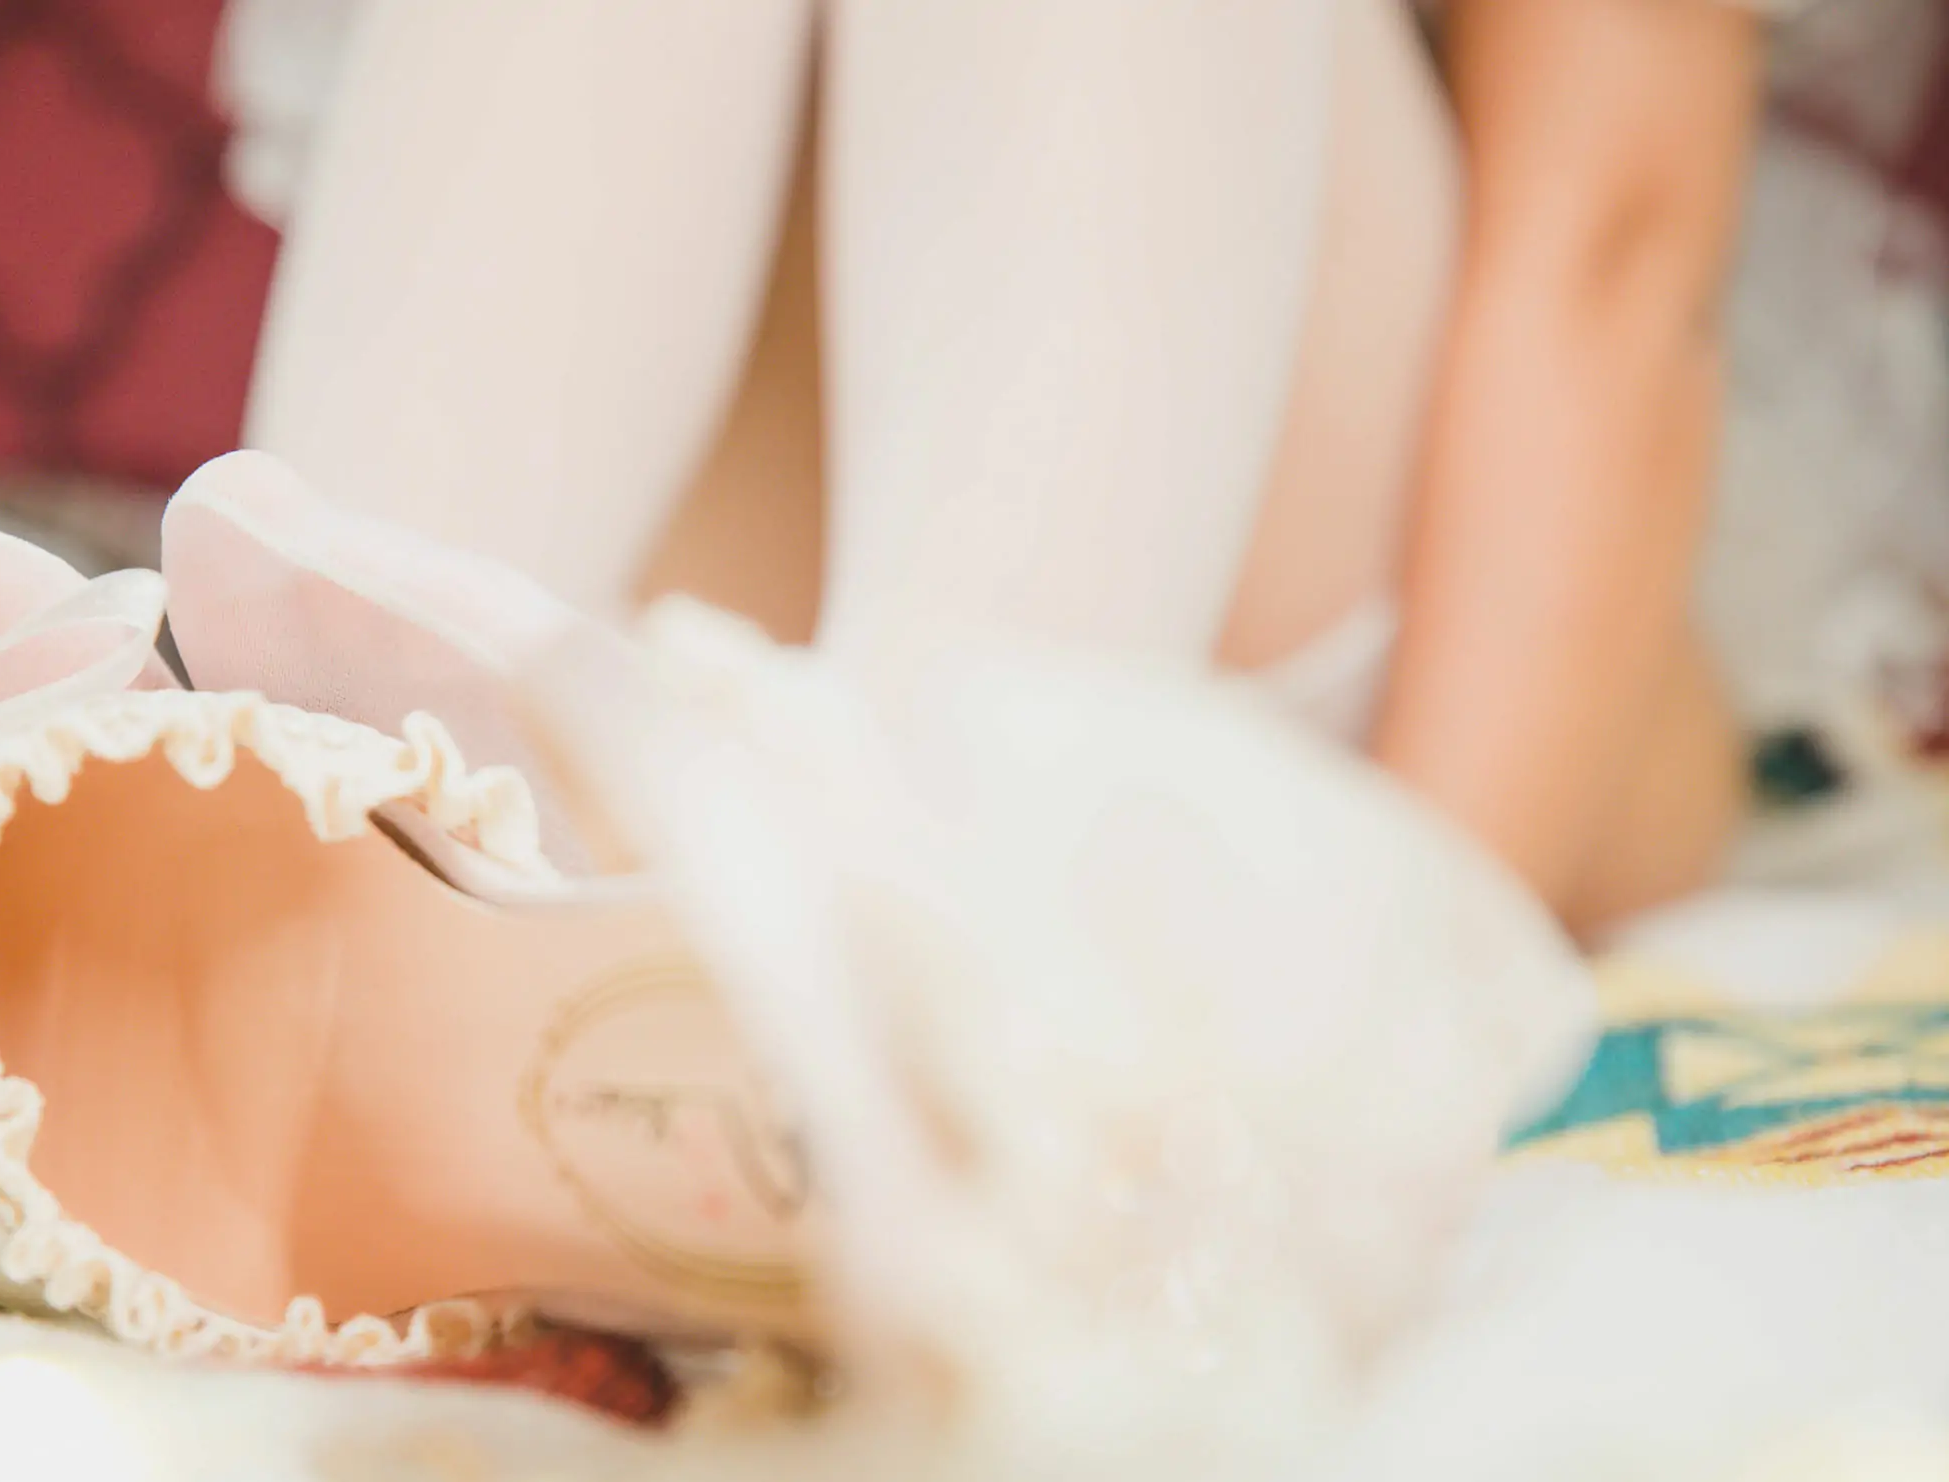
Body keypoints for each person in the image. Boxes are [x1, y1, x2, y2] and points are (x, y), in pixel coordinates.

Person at [232, 0, 1785, 934]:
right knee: (345, 781)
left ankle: (940, 962)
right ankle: (291, 854)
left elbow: (1611, 258)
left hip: (1341, 645)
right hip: (701, 574)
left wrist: (1404, 965)